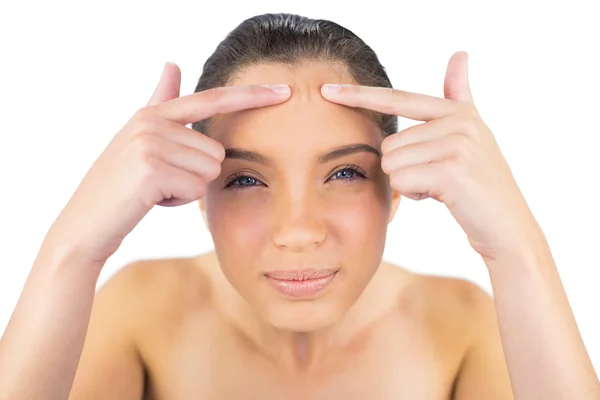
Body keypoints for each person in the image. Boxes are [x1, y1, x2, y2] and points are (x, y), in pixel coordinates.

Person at [0, 12, 598, 400]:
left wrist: (518, 249)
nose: (297, 232)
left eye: (343, 172)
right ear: (197, 194)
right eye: (245, 180)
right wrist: (72, 248)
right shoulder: (138, 312)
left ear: (395, 188)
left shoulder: (466, 325)